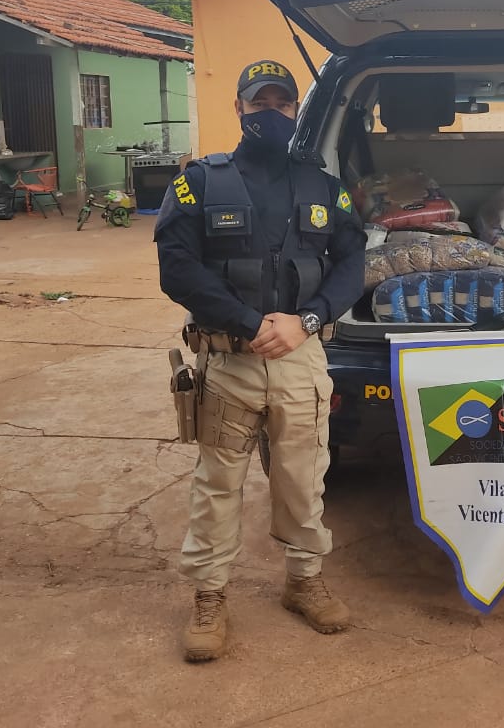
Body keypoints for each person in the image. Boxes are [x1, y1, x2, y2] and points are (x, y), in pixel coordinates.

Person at [155, 60, 366, 662]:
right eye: (259, 102)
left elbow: (352, 263)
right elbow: (178, 268)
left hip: (301, 356)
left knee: (303, 478)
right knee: (217, 484)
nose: (270, 112)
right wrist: (248, 323)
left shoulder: (325, 186)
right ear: (239, 108)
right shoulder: (199, 183)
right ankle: (209, 595)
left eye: (281, 103)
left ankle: (304, 581)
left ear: (296, 110)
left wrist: (308, 320)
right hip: (229, 361)